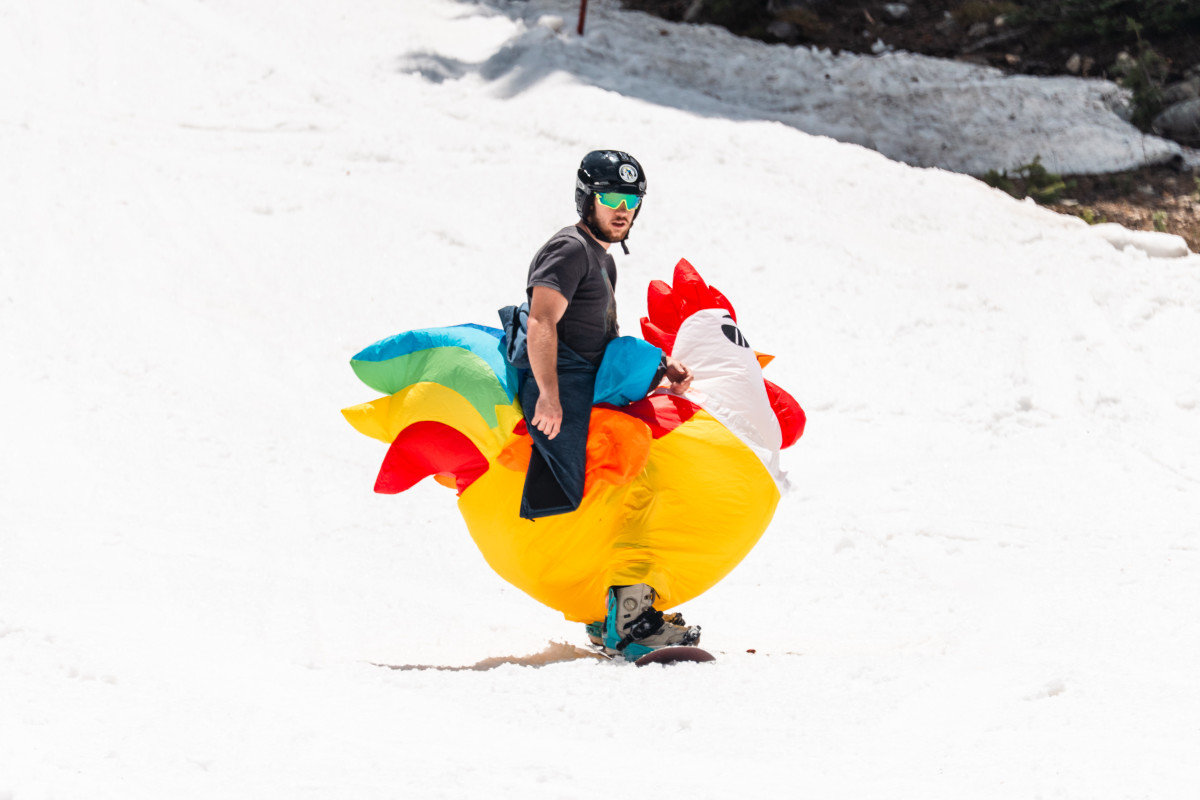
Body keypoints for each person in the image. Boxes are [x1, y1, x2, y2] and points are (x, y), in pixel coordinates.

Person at [519, 149, 701, 657]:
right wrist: (550, 399)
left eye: (632, 200)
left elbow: (604, 337)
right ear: (588, 198)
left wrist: (658, 369)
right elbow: (541, 322)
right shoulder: (571, 249)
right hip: (562, 388)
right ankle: (628, 620)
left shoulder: (599, 255)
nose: (624, 210)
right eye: (613, 199)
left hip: (587, 384)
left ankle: (612, 612)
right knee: (628, 492)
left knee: (638, 479)